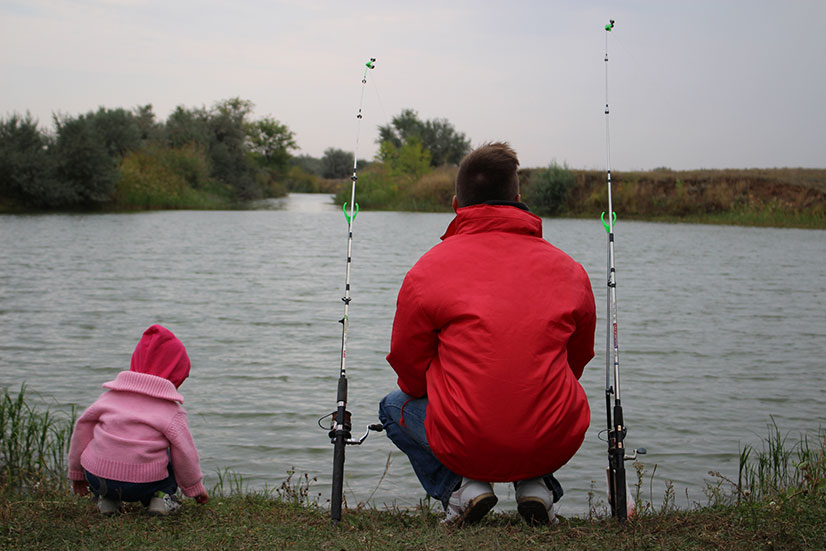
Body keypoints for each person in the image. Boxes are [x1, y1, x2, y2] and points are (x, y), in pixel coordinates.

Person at [378, 142, 596, 526]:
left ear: (455, 203)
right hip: (554, 435)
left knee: (392, 406)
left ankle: (461, 490)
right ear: (518, 198)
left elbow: (409, 369)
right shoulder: (569, 269)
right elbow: (576, 361)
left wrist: (459, 399)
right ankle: (536, 487)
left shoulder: (427, 270)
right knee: (538, 390)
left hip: (465, 438)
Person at [68, 324, 209, 515]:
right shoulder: (171, 411)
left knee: (102, 439)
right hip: (143, 484)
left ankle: (109, 501)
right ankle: (161, 499)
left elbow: (81, 431)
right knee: (174, 451)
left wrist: (77, 473)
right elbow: (186, 455)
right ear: (177, 374)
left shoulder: (108, 398)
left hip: (98, 479)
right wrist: (195, 488)